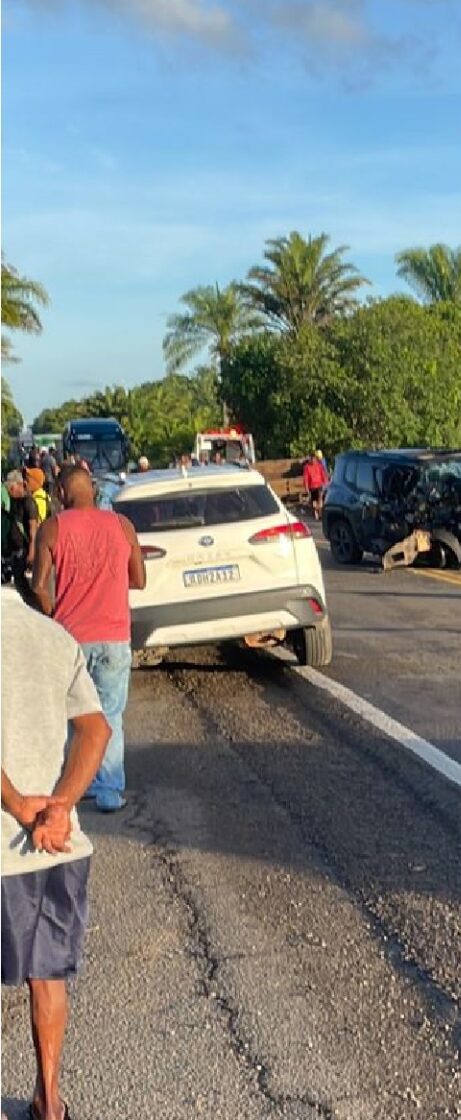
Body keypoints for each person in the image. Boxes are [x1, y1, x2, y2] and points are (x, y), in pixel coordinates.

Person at [2, 582, 112, 1120]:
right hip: (56, 846)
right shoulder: (54, 636)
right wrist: (61, 804)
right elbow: (96, 730)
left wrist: (20, 804)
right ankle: (49, 1101)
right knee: (47, 976)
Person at [31, 465, 147, 813]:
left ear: (62, 494)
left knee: (73, 714)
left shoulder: (53, 528)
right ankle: (109, 790)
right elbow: (139, 579)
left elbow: (38, 585)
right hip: (113, 636)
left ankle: (72, 788)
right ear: (94, 491)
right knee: (110, 713)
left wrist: (54, 615)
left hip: (70, 639)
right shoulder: (122, 526)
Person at [5, 471, 41, 583]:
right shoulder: (15, 501)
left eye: (11, 487)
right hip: (15, 549)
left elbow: (33, 529)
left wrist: (31, 551)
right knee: (18, 583)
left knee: (22, 584)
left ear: (20, 485)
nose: (9, 490)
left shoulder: (28, 502)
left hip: (24, 550)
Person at [302, 450, 330, 519]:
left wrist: (326, 482)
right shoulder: (307, 467)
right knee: (314, 500)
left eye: (314, 458)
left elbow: (323, 474)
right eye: (311, 459)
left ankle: (320, 512)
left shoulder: (319, 465)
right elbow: (305, 478)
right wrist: (306, 487)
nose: (313, 460)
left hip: (319, 485)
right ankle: (316, 511)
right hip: (312, 486)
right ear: (310, 459)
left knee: (320, 498)